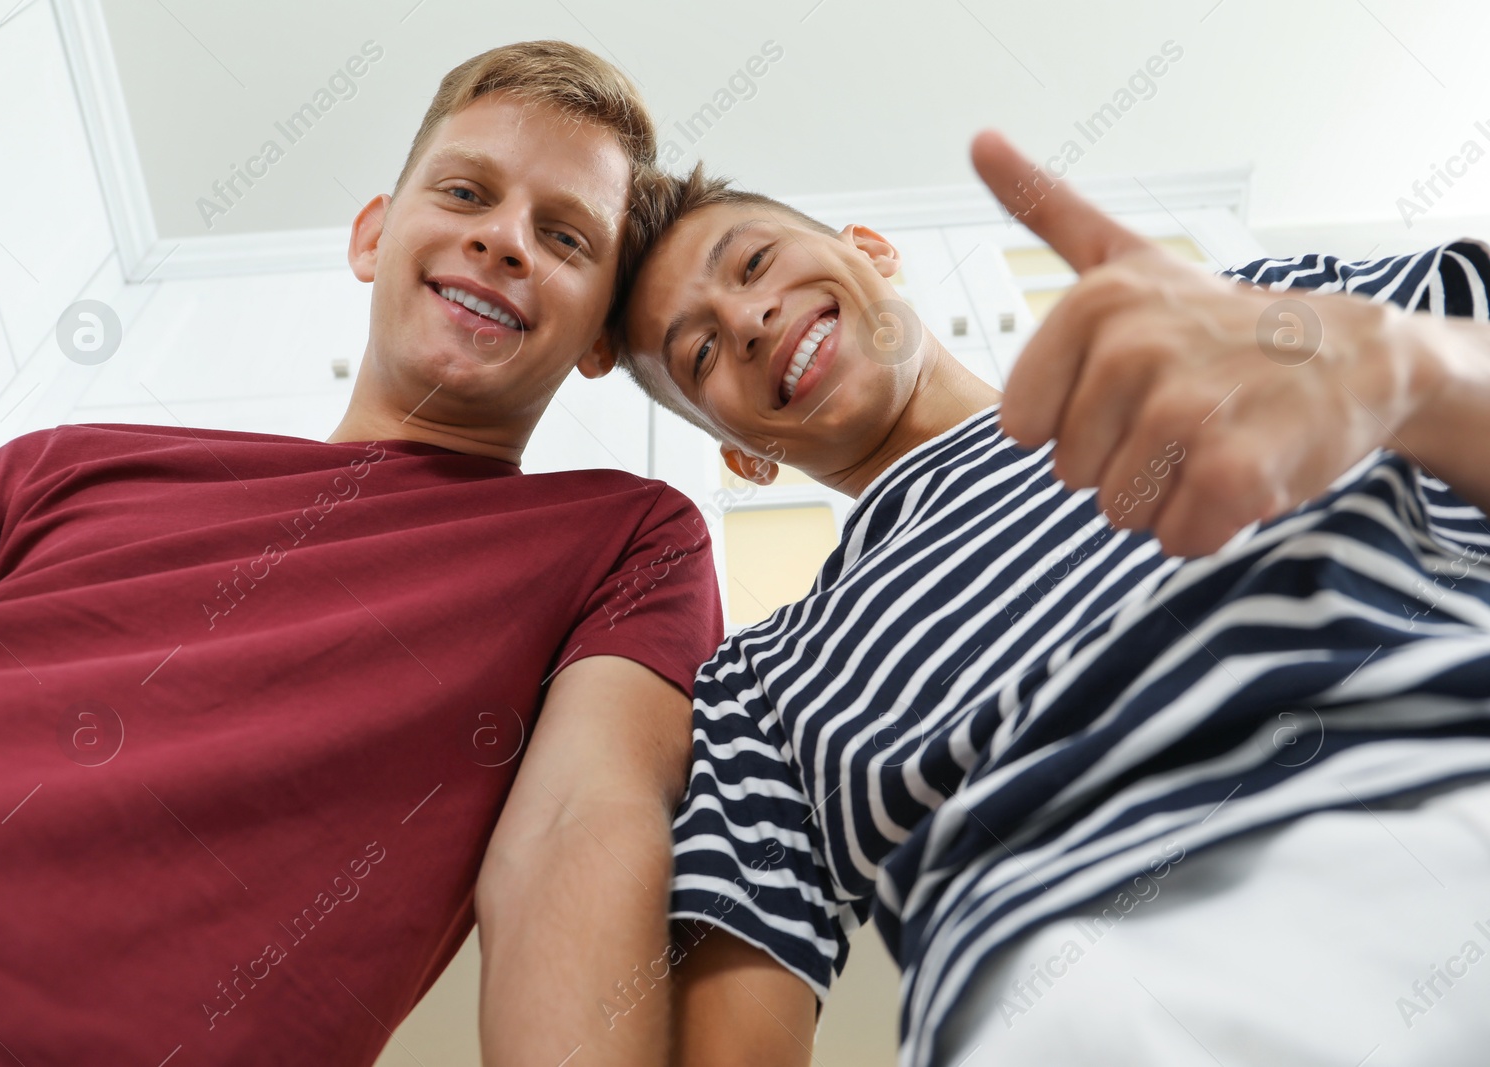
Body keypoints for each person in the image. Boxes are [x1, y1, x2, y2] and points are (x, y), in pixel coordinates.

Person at [0, 42, 723, 1067]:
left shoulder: (626, 539)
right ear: (374, 235)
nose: (503, 240)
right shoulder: (65, 462)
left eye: (563, 237)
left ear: (600, 336)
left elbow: (580, 830)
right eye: (466, 191)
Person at [609, 131, 1490, 1065]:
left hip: (1437, 821)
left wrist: (1385, 367)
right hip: (1070, 1004)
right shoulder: (762, 682)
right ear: (745, 457)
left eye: (753, 262)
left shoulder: (1247, 320)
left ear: (871, 251)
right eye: (701, 352)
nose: (746, 320)